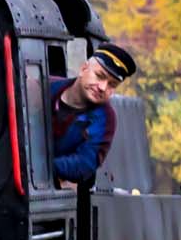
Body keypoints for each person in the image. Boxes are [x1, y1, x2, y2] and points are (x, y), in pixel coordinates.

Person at [47, 43, 136, 185]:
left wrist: (40, 167)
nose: (102, 87)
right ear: (83, 69)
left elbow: (84, 164)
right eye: (99, 76)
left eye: (112, 85)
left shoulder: (105, 119)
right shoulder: (44, 87)